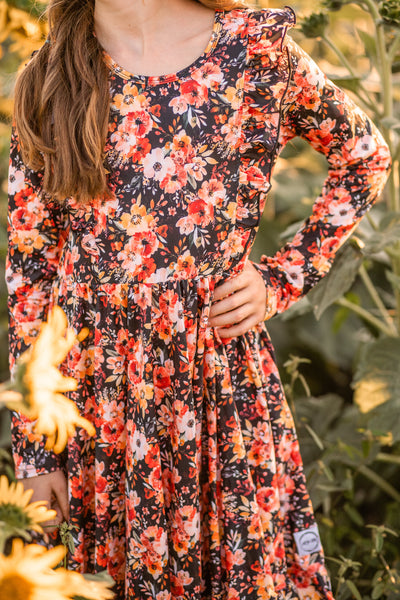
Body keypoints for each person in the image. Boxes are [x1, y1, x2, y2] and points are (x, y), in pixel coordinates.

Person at [6, 0, 391, 598]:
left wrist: (283, 276)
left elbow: (363, 156)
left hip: (214, 382)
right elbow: (30, 271)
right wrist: (35, 448)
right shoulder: (52, 74)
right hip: (97, 403)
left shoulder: (253, 51)